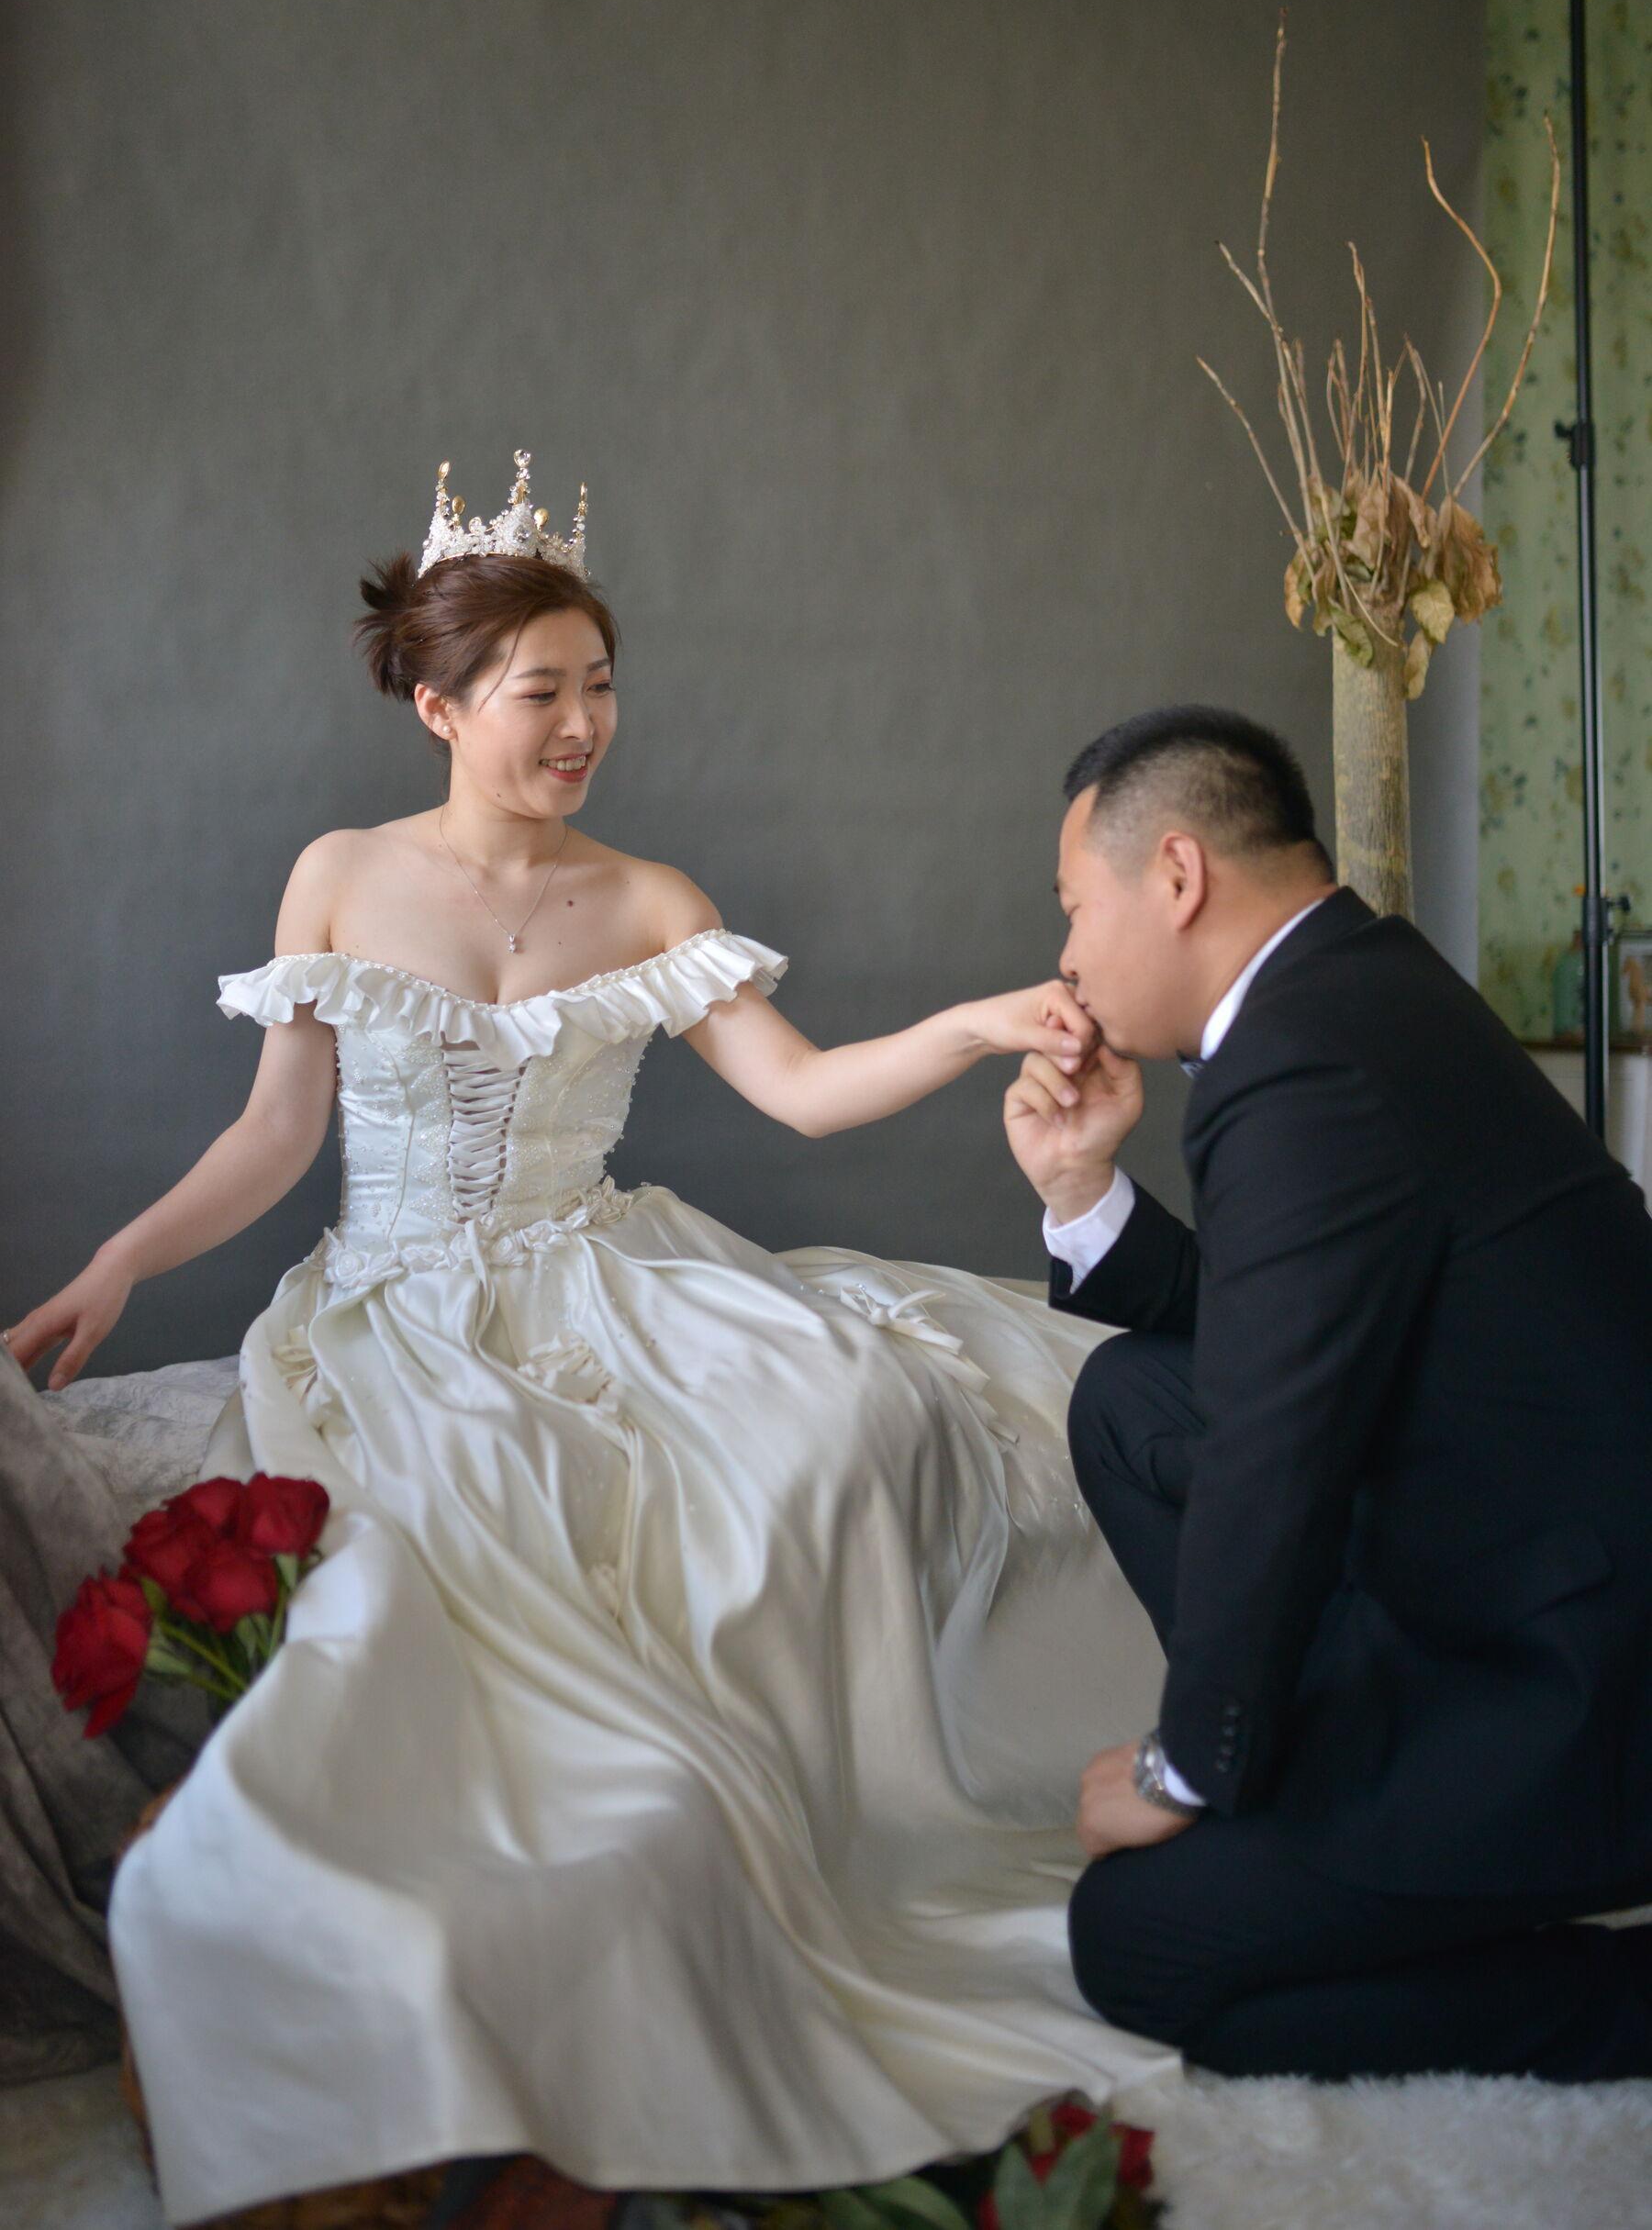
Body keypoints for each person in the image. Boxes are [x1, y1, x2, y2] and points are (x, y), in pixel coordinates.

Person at [3, 454, 1171, 2226]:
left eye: (600, 686)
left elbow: (802, 1094)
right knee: (459, 1568)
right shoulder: (341, 876)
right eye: (540, 692)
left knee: (849, 1421)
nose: (582, 725)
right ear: (439, 705)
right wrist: (117, 1262)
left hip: (610, 1275)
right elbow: (275, 1135)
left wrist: (971, 1027)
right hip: (399, 1304)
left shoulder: (648, 898)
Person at [1004, 705, 1652, 2084]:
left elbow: (1273, 1450)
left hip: (1577, 1677)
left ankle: (1613, 1996)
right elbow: (1281, 1338)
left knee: (1138, 1945)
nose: (1066, 957)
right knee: (1130, 1400)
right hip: (1507, 1538)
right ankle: (1313, 1775)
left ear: (1177, 876)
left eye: (1074, 907)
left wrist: (1186, 1766)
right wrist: (1082, 1191)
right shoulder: (1352, 984)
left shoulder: (1304, 1057)